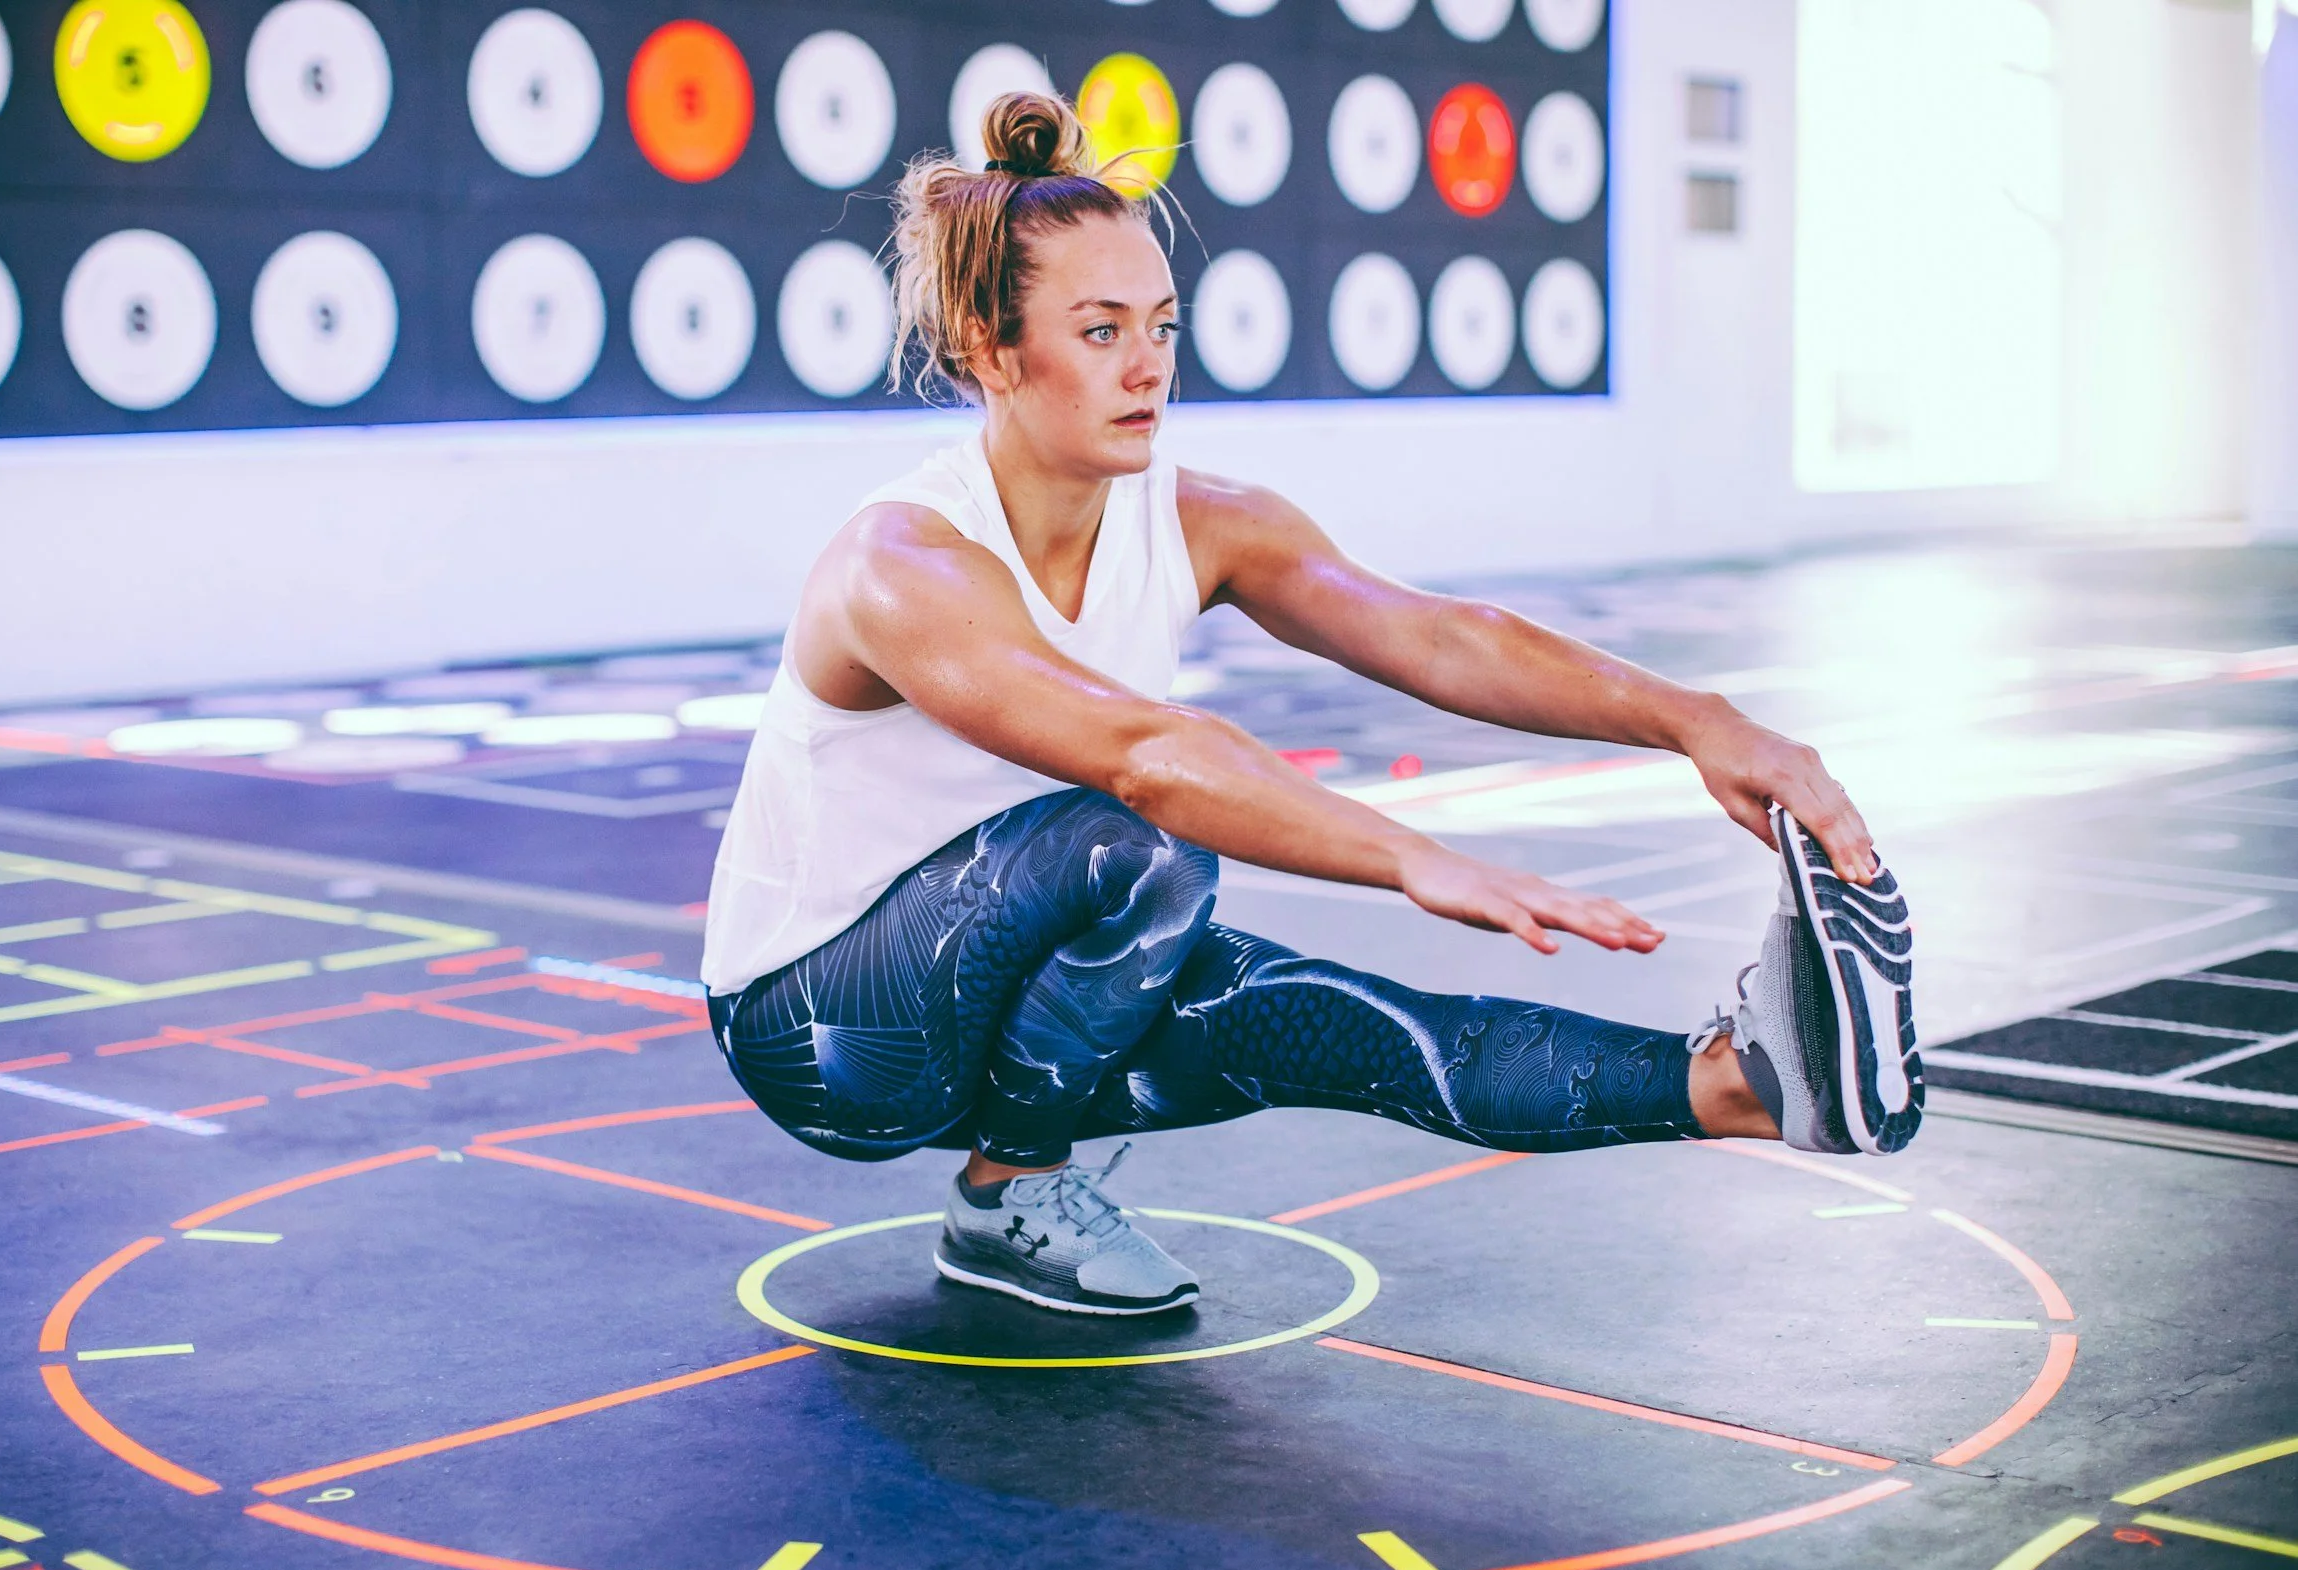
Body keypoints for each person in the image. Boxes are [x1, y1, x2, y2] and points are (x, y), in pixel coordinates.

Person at [701, 92, 1920, 1318]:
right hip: (819, 1032)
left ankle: (1739, 1086)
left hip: (1015, 992)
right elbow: (1146, 757)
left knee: (1330, 1022)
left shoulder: (1196, 518)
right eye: (1099, 328)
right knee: (1145, 843)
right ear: (988, 344)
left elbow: (1435, 634)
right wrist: (1412, 858)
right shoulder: (900, 563)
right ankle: (1015, 1181)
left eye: (1162, 325)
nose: (1148, 364)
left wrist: (1700, 719)